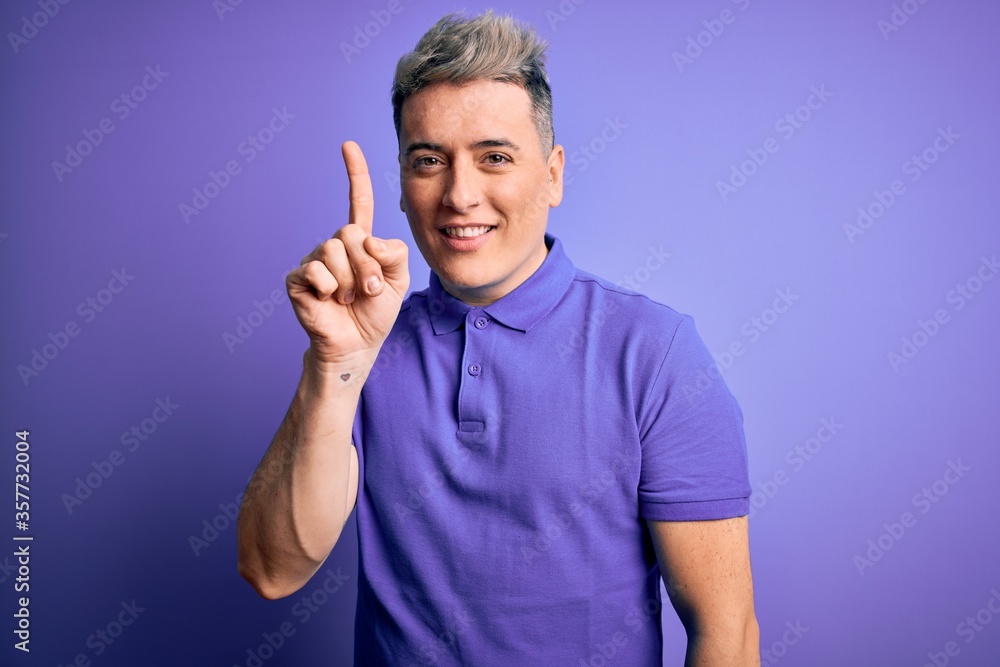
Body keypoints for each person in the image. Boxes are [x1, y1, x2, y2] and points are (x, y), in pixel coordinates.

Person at [237, 10, 759, 666]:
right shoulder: (362, 346)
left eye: (495, 158)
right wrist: (334, 362)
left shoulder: (654, 353)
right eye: (429, 160)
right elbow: (272, 568)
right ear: (402, 184)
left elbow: (727, 633)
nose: (460, 194)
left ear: (553, 174)